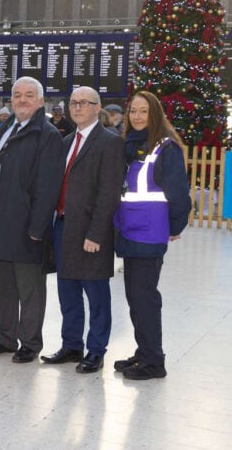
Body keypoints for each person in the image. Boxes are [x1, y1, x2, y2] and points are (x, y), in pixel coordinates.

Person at [40, 86, 124, 373]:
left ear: (97, 107)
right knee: (68, 291)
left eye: (83, 103)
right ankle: (72, 345)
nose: (76, 107)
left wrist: (96, 234)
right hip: (64, 228)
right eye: (73, 103)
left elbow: (109, 193)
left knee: (96, 293)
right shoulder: (65, 142)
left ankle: (96, 350)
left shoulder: (109, 143)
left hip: (91, 232)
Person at [113, 90, 191, 380]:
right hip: (130, 231)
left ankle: (154, 362)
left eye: (143, 111)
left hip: (150, 234)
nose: (136, 116)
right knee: (135, 297)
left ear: (154, 114)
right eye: (133, 110)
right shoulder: (130, 145)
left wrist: (174, 227)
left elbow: (179, 194)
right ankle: (144, 352)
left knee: (144, 298)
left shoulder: (165, 148)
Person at [0, 76, 64, 363]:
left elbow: (49, 186)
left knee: (30, 288)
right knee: (3, 283)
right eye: (17, 95)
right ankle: (5, 336)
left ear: (40, 101)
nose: (21, 100)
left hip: (28, 223)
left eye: (29, 95)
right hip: (0, 218)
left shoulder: (48, 134)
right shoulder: (5, 128)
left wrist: (37, 227)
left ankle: (30, 342)